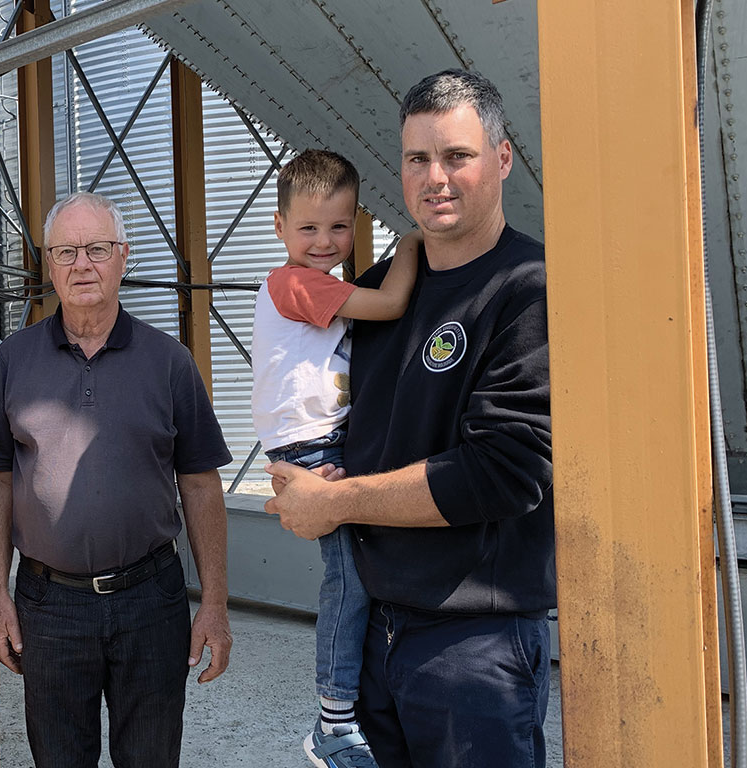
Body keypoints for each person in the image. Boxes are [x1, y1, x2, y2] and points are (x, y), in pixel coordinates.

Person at [264, 69, 553, 768]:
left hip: (473, 646)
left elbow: (504, 474)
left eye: (457, 156)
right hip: (373, 636)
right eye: (418, 158)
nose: (436, 177)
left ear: (503, 159)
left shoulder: (528, 288)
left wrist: (332, 502)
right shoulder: (370, 296)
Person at [0, 192, 234, 768]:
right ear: (48, 265)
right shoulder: (14, 360)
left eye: (97, 249)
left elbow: (200, 483)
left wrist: (216, 602)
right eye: (66, 251)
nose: (82, 264)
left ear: (123, 257)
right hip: (48, 604)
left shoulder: (169, 360)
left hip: (152, 598)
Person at [250, 148, 419, 768]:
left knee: (366, 573)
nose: (324, 241)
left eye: (339, 227)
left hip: (326, 438)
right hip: (311, 447)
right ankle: (333, 720)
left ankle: (360, 708)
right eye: (308, 228)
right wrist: (412, 245)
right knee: (347, 581)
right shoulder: (294, 283)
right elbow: (393, 303)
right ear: (279, 228)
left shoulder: (321, 283)